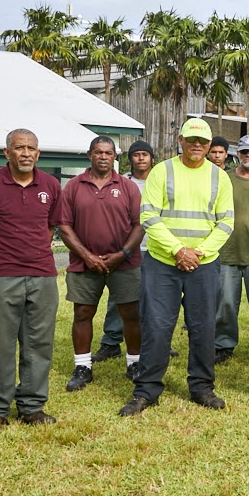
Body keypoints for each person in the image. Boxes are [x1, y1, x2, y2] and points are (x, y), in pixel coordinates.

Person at [120, 117, 234, 417]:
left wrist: (199, 252)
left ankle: (202, 387)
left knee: (203, 327)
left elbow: (226, 222)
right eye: (191, 140)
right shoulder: (162, 171)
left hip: (204, 264)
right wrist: (178, 250)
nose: (197, 145)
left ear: (210, 146)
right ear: (180, 140)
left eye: (203, 142)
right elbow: (149, 216)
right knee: (157, 326)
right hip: (162, 263)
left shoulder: (219, 177)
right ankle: (147, 390)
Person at [0, 128, 63, 436]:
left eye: (31, 148)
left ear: (38, 153)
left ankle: (32, 407)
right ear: (6, 153)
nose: (26, 153)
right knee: (0, 344)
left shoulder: (50, 185)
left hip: (42, 276)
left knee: (39, 343)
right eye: (19, 147)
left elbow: (49, 229)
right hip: (1, 277)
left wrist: (33, 257)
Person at [56, 136, 143, 392]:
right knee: (83, 314)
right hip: (84, 264)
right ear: (89, 155)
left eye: (108, 152)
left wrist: (122, 253)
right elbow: (64, 226)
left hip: (124, 263)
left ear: (115, 156)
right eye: (98, 152)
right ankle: (83, 367)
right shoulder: (73, 186)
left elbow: (140, 225)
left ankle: (134, 364)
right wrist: (87, 256)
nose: (103, 156)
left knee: (131, 314)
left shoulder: (128, 187)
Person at [94, 139, 154, 364]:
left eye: (144, 154)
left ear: (151, 158)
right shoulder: (121, 182)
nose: (140, 158)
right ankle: (111, 341)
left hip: (156, 248)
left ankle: (152, 341)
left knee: (154, 299)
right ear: (129, 159)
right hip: (127, 250)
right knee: (119, 299)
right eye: (136, 154)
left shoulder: (160, 181)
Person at [214, 134, 249, 364]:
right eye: (244, 152)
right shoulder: (224, 178)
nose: (248, 156)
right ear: (237, 154)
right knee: (225, 303)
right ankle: (223, 344)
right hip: (228, 251)